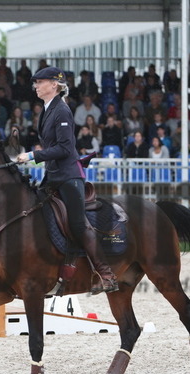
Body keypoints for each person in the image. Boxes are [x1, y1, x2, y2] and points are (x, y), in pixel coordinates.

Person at [16, 66, 118, 295]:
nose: (36, 86)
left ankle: (106, 274)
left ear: (54, 85)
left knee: (77, 224)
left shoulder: (62, 110)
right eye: (35, 83)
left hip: (69, 176)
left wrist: (33, 156)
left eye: (40, 82)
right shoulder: (46, 109)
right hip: (53, 175)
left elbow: (63, 148)